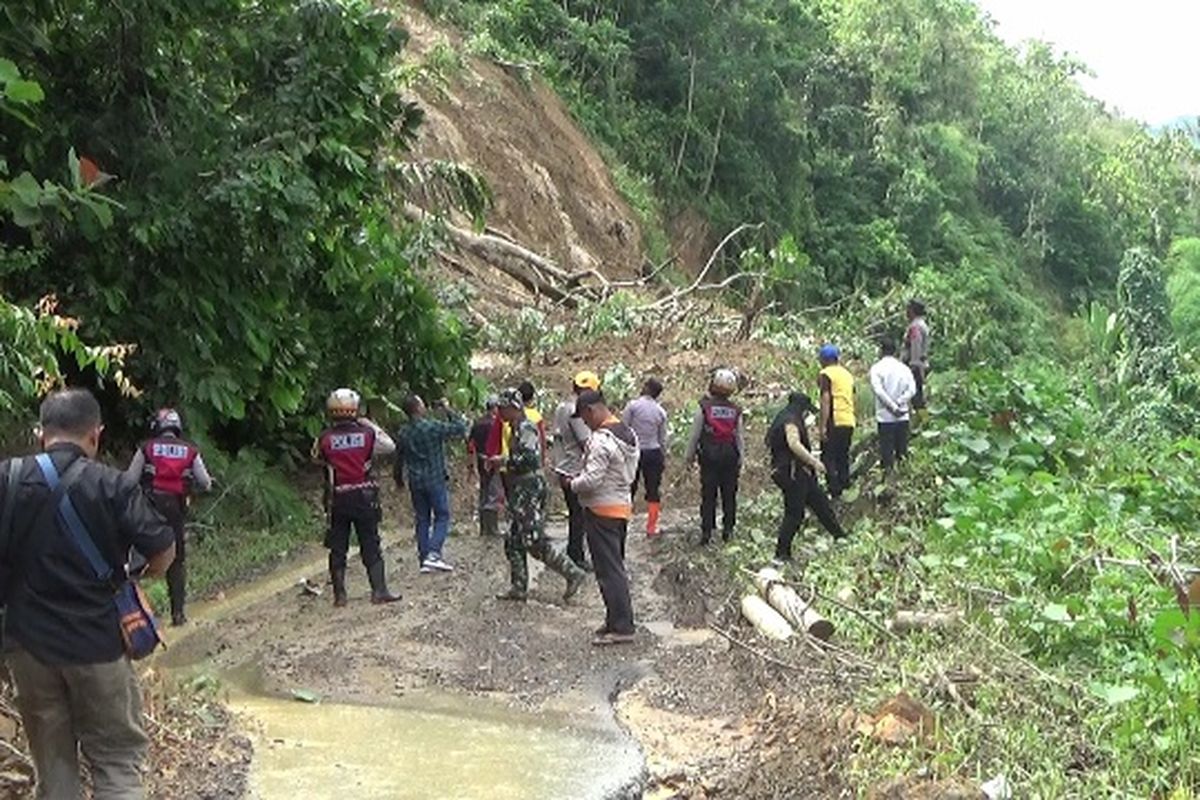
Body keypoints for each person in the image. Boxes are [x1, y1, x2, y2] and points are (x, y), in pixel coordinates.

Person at [0, 389, 176, 799]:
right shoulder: (113, 485)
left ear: (41, 433)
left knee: (55, 770)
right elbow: (163, 550)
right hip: (98, 643)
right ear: (95, 435)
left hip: (28, 647)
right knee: (116, 763)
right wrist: (136, 577)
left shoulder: (6, 479)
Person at [494, 389, 588, 603]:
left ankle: (572, 572)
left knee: (533, 539)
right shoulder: (516, 428)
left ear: (513, 407)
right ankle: (518, 587)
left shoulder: (526, 428)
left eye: (503, 407)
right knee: (513, 540)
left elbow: (528, 458)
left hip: (529, 488)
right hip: (520, 488)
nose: (500, 412)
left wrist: (504, 461)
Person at [125, 408, 212, 626]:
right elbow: (204, 482)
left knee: (135, 560)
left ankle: (131, 614)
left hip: (148, 510)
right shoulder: (190, 451)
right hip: (176, 511)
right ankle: (178, 614)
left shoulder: (146, 448)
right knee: (177, 560)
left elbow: (129, 480)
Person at [314, 388, 401, 605]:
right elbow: (389, 446)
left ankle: (340, 595)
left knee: (338, 546)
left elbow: (316, 458)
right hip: (364, 497)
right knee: (370, 542)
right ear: (355, 409)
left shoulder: (324, 438)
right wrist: (368, 423)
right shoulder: (367, 435)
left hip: (337, 500)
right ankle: (379, 590)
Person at [567, 390, 640, 645]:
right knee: (614, 566)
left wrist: (572, 483)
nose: (585, 423)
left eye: (585, 418)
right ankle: (614, 620)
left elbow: (592, 480)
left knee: (609, 571)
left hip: (601, 510)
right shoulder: (627, 433)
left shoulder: (600, 440)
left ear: (591, 410)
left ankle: (622, 626)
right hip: (620, 507)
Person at [766, 392, 847, 562]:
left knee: (821, 504)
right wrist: (814, 462)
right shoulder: (790, 419)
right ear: (801, 408)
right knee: (794, 513)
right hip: (792, 473)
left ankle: (841, 537)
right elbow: (793, 443)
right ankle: (781, 554)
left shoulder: (783, 416)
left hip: (800, 472)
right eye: (806, 411)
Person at [395, 393, 468, 573]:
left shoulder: (403, 432)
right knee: (442, 516)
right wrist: (447, 408)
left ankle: (424, 557)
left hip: (415, 481)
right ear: (419, 408)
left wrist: (398, 479)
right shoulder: (432, 427)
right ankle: (434, 554)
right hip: (434, 478)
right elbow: (460, 428)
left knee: (422, 519)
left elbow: (399, 459)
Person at [683, 368, 745, 544]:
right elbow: (739, 436)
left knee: (709, 494)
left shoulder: (705, 407)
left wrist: (689, 457)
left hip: (709, 457)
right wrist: (742, 458)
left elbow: (695, 435)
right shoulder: (736, 410)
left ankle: (707, 532)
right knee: (729, 494)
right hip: (730, 456)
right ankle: (728, 530)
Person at [550, 370, 601, 570]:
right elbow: (585, 442)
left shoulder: (562, 407)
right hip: (575, 468)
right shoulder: (576, 412)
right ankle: (576, 555)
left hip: (563, 465)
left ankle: (574, 551)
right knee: (580, 514)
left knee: (575, 513)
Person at [623, 377, 669, 537]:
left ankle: (623, 523)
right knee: (653, 490)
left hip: (634, 451)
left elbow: (624, 429)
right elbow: (662, 439)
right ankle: (651, 527)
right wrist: (663, 457)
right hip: (653, 452)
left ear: (646, 388)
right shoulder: (660, 411)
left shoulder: (633, 406)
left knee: (629, 488)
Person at [869, 338, 917, 471]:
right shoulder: (904, 368)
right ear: (895, 351)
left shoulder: (876, 369)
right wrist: (900, 402)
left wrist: (892, 407)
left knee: (887, 453)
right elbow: (912, 389)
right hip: (903, 416)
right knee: (902, 452)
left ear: (881, 351)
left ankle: (888, 480)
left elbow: (879, 391)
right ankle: (903, 479)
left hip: (885, 418)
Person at [817, 345, 856, 498]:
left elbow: (826, 400)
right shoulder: (847, 375)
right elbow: (853, 398)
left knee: (828, 456)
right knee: (843, 455)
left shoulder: (825, 374)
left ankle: (834, 491)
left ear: (824, 360)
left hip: (834, 420)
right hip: (848, 420)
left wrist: (822, 427)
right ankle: (846, 486)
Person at [467, 396, 504, 537]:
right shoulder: (495, 424)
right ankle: (492, 529)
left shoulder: (477, 423)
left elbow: (470, 445)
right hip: (493, 460)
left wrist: (471, 464)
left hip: (480, 459)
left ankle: (484, 528)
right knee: (494, 493)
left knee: (484, 492)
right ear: (494, 407)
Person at [902, 299, 930, 411]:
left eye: (908, 309)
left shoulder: (915, 327)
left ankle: (923, 422)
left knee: (916, 398)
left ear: (912, 310)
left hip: (915, 367)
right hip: (919, 365)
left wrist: (913, 366)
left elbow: (915, 346)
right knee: (917, 397)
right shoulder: (921, 324)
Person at [517, 380, 548, 463]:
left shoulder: (511, 414)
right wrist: (543, 458)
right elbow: (542, 440)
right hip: (532, 460)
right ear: (532, 397)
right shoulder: (536, 416)